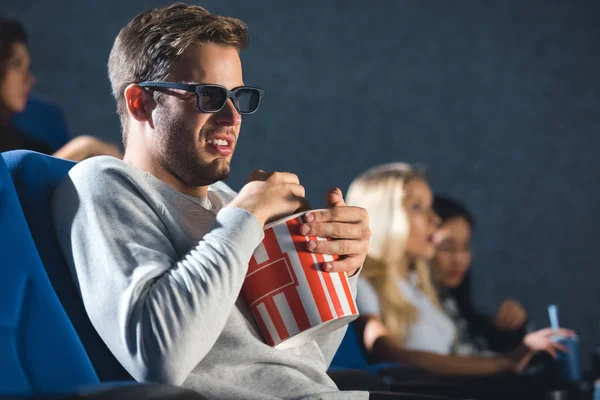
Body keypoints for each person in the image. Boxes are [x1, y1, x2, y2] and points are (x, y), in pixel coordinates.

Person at [51, 3, 373, 399]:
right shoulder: (103, 182)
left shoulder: (230, 203)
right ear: (139, 102)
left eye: (239, 97)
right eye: (208, 96)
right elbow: (160, 358)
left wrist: (340, 266)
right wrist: (247, 217)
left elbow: (303, 364)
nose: (232, 116)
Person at [347, 163, 572, 376]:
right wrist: (506, 362)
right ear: (384, 217)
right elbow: (388, 352)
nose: (435, 219)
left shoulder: (420, 284)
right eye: (417, 207)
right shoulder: (363, 283)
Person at [0, 18, 121, 160]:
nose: (29, 79)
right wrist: (84, 146)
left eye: (28, 69)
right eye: (16, 64)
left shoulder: (33, 147)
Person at [432, 195, 527, 357]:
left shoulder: (456, 308)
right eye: (446, 247)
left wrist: (508, 331)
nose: (459, 259)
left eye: (466, 247)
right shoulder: (418, 311)